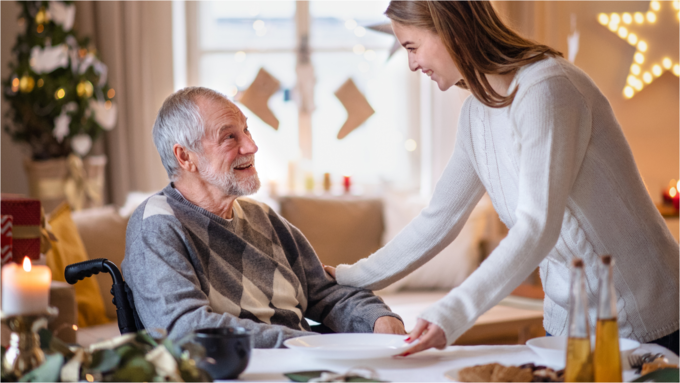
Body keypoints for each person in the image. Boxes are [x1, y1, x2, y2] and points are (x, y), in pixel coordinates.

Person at [325, 1, 679, 356]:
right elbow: (439, 219)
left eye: (412, 47)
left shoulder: (548, 89)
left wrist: (451, 313)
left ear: (449, 30)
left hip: (647, 318)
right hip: (568, 326)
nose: (412, 64)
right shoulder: (476, 114)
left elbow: (537, 227)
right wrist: (347, 277)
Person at [121, 87, 405, 348]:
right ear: (185, 157)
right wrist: (308, 344)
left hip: (302, 366)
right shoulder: (157, 224)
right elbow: (188, 331)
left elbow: (324, 291)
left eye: (246, 130)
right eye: (230, 137)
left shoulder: (262, 217)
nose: (251, 146)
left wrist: (378, 318)